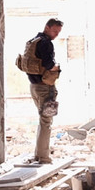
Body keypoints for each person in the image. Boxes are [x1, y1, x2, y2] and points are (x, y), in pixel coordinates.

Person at [26, 18, 63, 163]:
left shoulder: (33, 41)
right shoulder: (46, 43)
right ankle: (43, 157)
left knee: (43, 120)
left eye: (58, 32)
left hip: (34, 87)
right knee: (47, 121)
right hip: (45, 88)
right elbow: (49, 64)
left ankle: (38, 155)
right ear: (47, 27)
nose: (56, 35)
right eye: (54, 31)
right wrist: (56, 68)